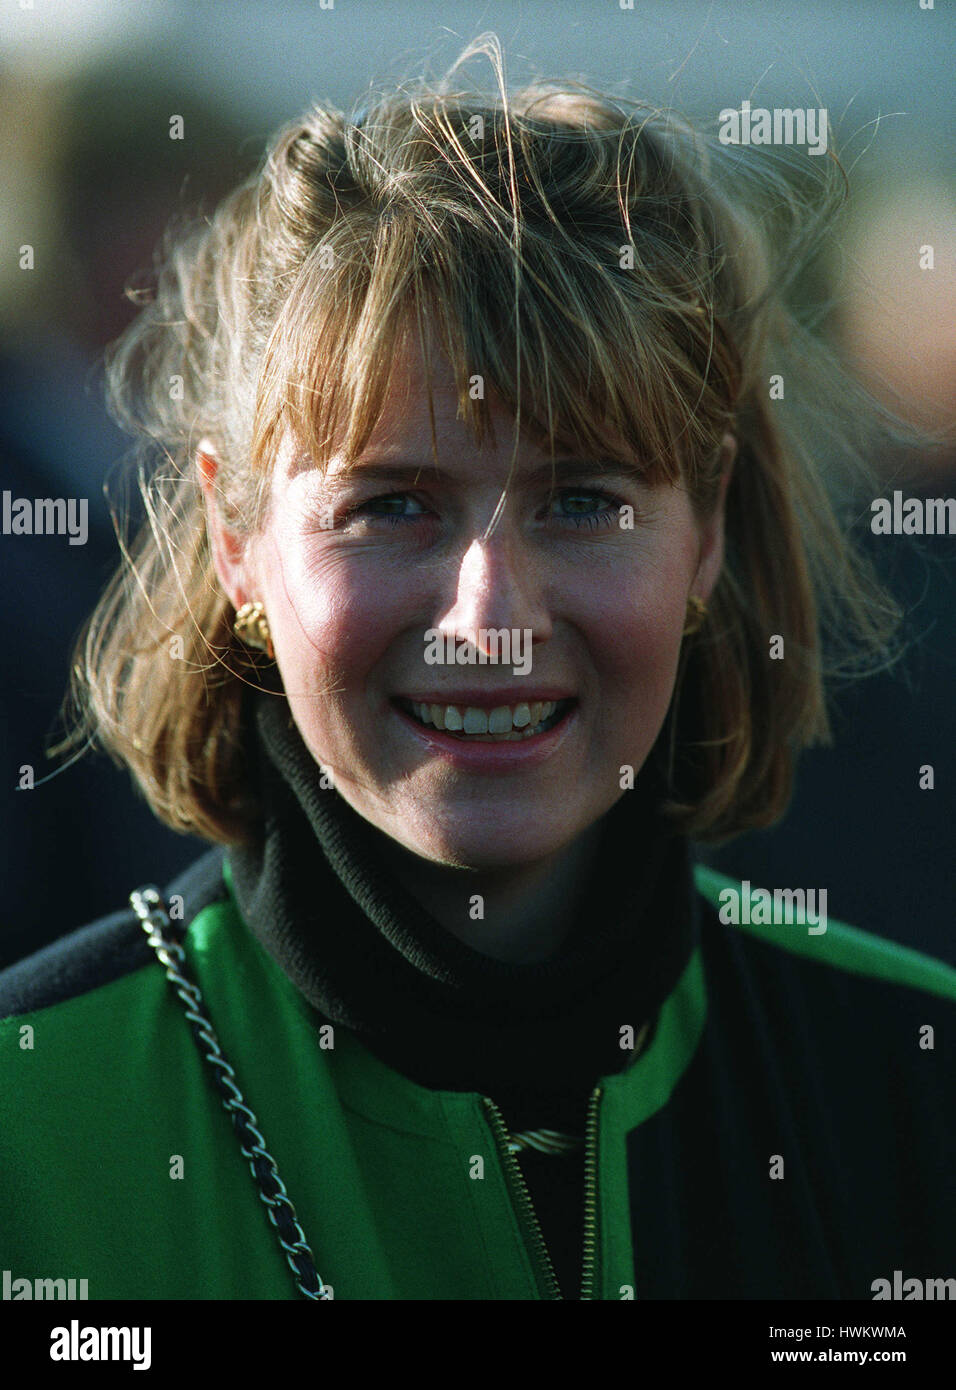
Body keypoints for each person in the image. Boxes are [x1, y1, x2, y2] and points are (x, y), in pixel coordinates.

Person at [1, 38, 953, 1302]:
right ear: (237, 541)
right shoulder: (35, 1120)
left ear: (707, 527)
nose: (489, 614)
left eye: (580, 500)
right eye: (392, 505)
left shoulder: (908, 1081)